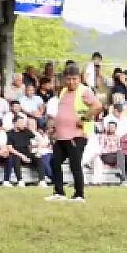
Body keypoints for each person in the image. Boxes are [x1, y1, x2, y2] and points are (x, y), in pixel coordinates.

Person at [45, 63, 99, 202]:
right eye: (69, 79)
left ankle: (79, 194)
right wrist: (54, 127)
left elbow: (97, 106)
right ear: (65, 79)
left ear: (79, 78)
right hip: (62, 134)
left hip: (77, 135)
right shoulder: (63, 91)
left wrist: (84, 118)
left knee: (74, 164)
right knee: (54, 162)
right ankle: (59, 192)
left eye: (74, 79)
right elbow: (63, 111)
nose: (71, 82)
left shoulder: (84, 91)